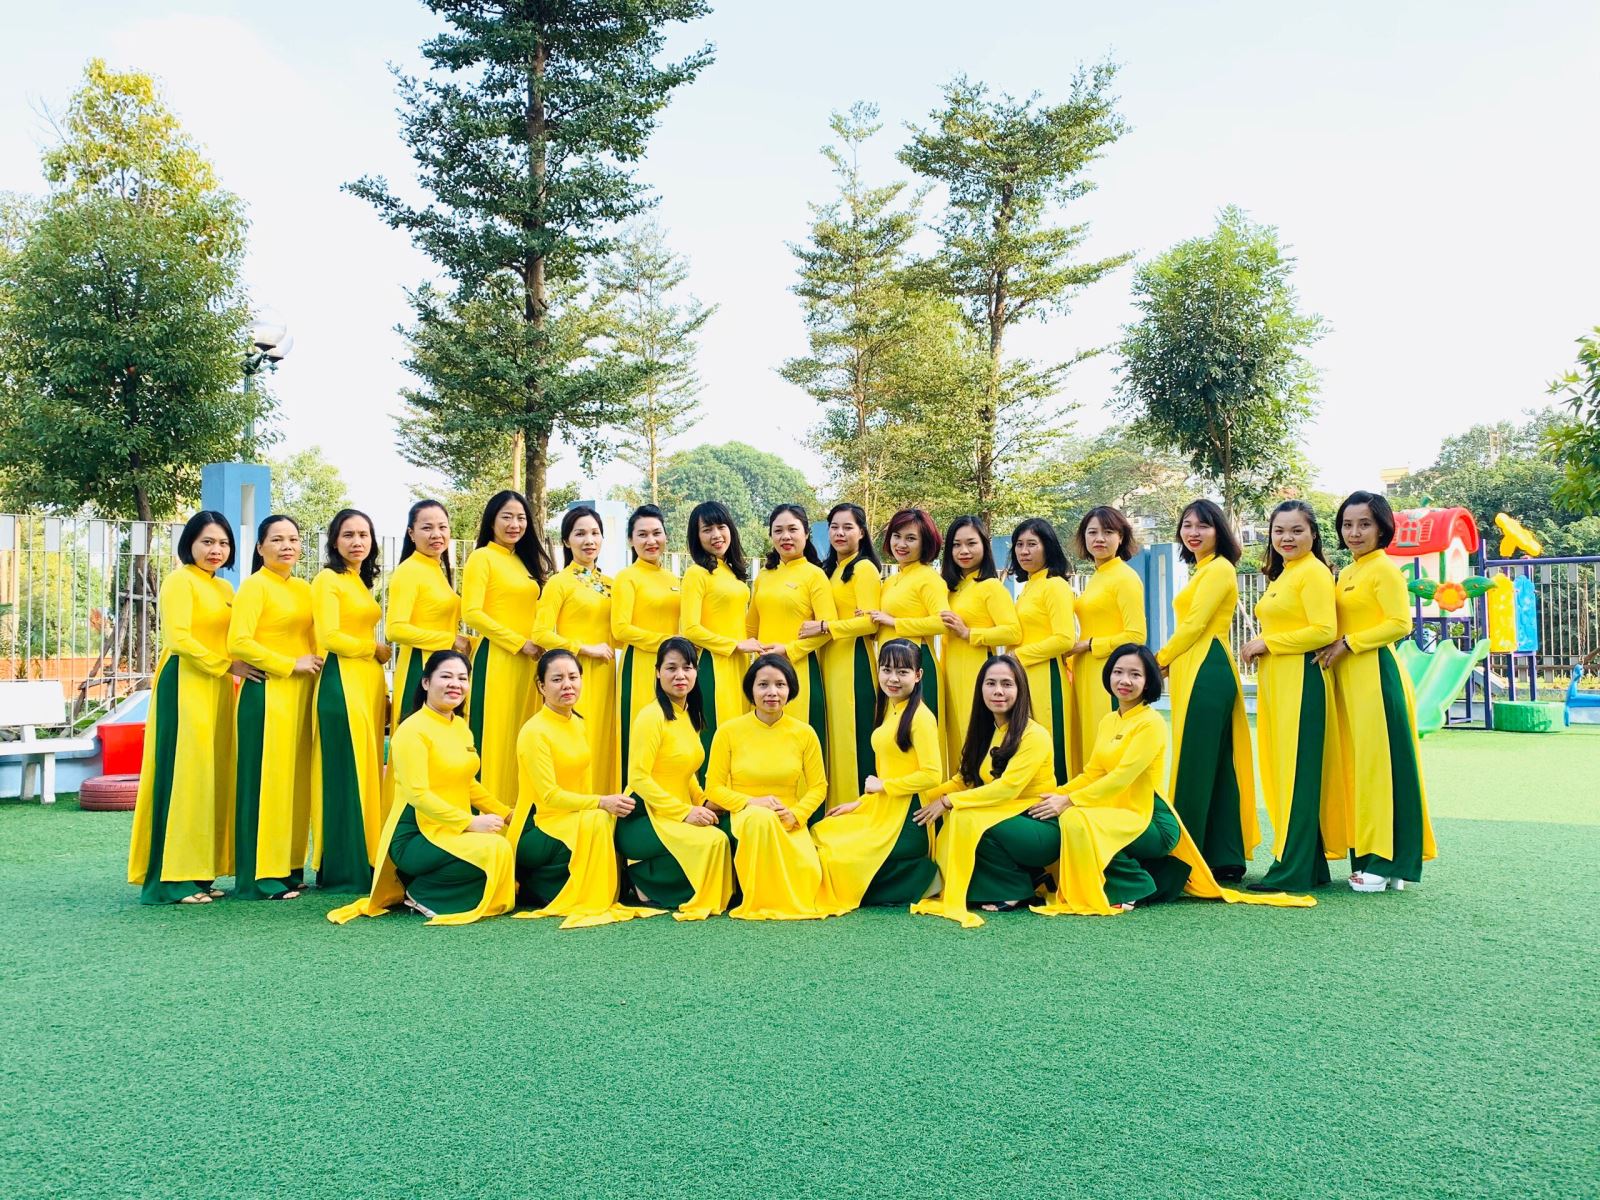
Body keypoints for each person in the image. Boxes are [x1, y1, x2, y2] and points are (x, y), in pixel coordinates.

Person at [1027, 645, 1314, 916]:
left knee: (1077, 818)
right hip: (1115, 814)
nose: (1124, 680)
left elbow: (1121, 778)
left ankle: (1134, 884)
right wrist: (1053, 795)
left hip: (1151, 820)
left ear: (1148, 682)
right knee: (1069, 816)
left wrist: (1069, 801)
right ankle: (1153, 875)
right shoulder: (1109, 721)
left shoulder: (1150, 723)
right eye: (1118, 672)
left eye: (1135, 674)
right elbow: (1093, 773)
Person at [327, 650, 516, 927]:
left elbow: (467, 783)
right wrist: (470, 822)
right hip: (414, 835)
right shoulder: (412, 731)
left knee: (503, 849)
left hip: (449, 828)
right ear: (426, 682)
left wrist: (507, 813)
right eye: (446, 677)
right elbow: (417, 794)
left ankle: (435, 887)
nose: (455, 684)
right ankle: (424, 893)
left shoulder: (460, 726)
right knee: (494, 848)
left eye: (462, 678)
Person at [1317, 491, 1436, 892]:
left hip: (1376, 676)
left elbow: (1400, 623)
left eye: (1364, 524)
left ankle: (1387, 862)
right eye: (1347, 524)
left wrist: (1349, 642)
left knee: (1383, 769)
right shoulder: (1349, 572)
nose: (1354, 532)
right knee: (1362, 771)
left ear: (1382, 528)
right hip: (1350, 679)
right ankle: (1380, 861)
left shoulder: (1384, 569)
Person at [129, 511, 244, 905]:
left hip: (218, 686)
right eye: (207, 542)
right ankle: (169, 879)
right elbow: (179, 639)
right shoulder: (180, 581)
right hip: (185, 683)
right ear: (189, 544)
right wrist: (227, 664)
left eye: (223, 543)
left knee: (209, 778)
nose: (216, 550)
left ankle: (197, 873)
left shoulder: (225, 588)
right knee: (183, 775)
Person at [506, 648, 663, 928]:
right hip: (537, 826)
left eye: (573, 677)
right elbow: (549, 796)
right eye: (557, 679)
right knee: (599, 816)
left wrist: (600, 806)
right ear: (541, 686)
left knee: (604, 818)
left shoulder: (577, 723)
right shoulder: (534, 732)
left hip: (570, 818)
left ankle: (601, 889)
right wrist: (600, 802)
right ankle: (552, 887)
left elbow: (583, 786)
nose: (567, 685)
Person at [909, 655, 1057, 928]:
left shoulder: (1034, 735)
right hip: (1008, 820)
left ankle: (1013, 887)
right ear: (981, 689)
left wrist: (948, 801)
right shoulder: (986, 730)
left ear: (1020, 690)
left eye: (1007, 684)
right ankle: (1028, 876)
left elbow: (1006, 790)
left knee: (966, 816)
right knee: (959, 814)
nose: (998, 691)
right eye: (991, 683)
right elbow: (963, 780)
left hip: (1039, 825)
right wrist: (913, 797)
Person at [1153, 500, 1257, 882]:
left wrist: (1157, 661)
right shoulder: (1203, 570)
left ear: (1219, 531)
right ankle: (1224, 857)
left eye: (1203, 525)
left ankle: (1182, 859)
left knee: (1194, 764)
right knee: (1216, 765)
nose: (1193, 532)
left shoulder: (1219, 568)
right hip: (1194, 665)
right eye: (1187, 525)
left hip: (1206, 666)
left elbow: (1195, 624)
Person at [1241, 500, 1340, 892]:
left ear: (1313, 534)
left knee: (1296, 774)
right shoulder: (1286, 574)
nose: (1287, 538)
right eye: (1279, 531)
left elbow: (1324, 630)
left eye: (1297, 530)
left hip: (1302, 681)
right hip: (1279, 683)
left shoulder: (1313, 573)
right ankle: (1308, 864)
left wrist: (1268, 642)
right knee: (1284, 772)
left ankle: (1293, 868)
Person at [228, 515, 320, 900]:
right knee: (265, 783)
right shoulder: (254, 586)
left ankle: (288, 867)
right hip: (266, 692)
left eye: (293, 539)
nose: (287, 546)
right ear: (260, 547)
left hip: (301, 695)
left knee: (294, 785)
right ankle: (260, 875)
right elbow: (238, 642)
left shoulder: (304, 588)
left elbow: (315, 639)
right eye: (277, 539)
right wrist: (289, 664)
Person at [813, 639, 941, 915]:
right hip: (881, 810)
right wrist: (859, 803)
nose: (893, 678)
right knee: (824, 832)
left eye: (903, 672)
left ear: (918, 675)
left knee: (837, 856)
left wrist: (883, 785)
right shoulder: (893, 710)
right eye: (886, 670)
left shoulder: (921, 718)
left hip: (906, 819)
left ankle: (924, 879)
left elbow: (932, 775)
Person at [614, 637, 734, 920]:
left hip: (675, 811)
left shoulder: (688, 716)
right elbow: (638, 778)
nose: (680, 675)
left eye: (687, 668)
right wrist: (685, 812)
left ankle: (657, 879)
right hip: (642, 817)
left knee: (728, 830)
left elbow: (686, 772)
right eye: (671, 668)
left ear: (696, 672)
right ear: (658, 672)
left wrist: (703, 801)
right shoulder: (651, 716)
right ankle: (642, 878)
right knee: (713, 842)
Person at [705, 654, 828, 920]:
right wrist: (751, 802)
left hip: (788, 818)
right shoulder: (728, 731)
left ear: (790, 689)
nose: (772, 692)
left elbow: (819, 786)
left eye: (780, 684)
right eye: (763, 685)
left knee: (809, 871)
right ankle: (759, 901)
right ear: (751, 689)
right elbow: (713, 788)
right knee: (760, 818)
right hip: (746, 815)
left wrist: (796, 815)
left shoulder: (805, 733)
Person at [309, 508, 390, 893]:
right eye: (348, 535)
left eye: (364, 535)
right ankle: (345, 869)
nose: (357, 542)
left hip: (367, 683)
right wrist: (373, 648)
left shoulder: (358, 581)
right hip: (342, 682)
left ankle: (368, 858)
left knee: (368, 772)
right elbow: (329, 638)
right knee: (346, 774)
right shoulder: (328, 579)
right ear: (334, 541)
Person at [461, 490, 549, 813]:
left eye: (521, 518)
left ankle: (520, 815)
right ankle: (488, 815)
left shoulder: (523, 561)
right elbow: (471, 613)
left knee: (521, 739)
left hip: (530, 663)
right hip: (498, 660)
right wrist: (518, 642)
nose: (515, 524)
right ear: (492, 521)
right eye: (507, 517)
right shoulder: (482, 557)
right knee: (494, 739)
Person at [533, 506, 619, 793]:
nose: (589, 540)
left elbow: (619, 631)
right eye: (580, 534)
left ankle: (605, 807)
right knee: (576, 743)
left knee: (603, 741)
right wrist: (583, 648)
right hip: (574, 676)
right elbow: (541, 633)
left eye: (595, 533)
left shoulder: (610, 584)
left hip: (606, 676)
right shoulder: (559, 583)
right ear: (566, 541)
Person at [746, 504, 837, 755]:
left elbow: (829, 629)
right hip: (762, 673)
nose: (785, 536)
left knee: (797, 743)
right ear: (771, 536)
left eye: (792, 530)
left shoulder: (815, 575)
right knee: (764, 744)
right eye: (778, 531)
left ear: (806, 533)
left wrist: (789, 649)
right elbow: (750, 627)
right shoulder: (763, 576)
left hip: (800, 670)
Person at [1067, 506, 1146, 777]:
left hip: (1108, 674)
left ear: (1121, 537)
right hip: (1085, 672)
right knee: (1088, 746)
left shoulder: (1125, 578)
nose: (1099, 538)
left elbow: (1136, 635)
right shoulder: (1098, 576)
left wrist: (1089, 644)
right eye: (1092, 532)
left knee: (1106, 751)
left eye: (1108, 532)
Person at [938, 515, 1020, 767]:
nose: (963, 551)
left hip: (978, 670)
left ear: (985, 545)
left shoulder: (990, 586)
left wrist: (970, 634)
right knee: (954, 737)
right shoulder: (951, 589)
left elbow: (1013, 632)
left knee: (974, 734)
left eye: (971, 543)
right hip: (950, 671)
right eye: (956, 544)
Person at [679, 500, 758, 759]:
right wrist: (735, 645)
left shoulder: (732, 572)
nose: (716, 535)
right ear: (697, 536)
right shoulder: (696, 573)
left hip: (739, 665)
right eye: (707, 529)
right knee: (715, 737)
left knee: (739, 735)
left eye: (721, 527)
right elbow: (690, 629)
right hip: (712, 666)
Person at [819, 503, 883, 809]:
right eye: (834, 527)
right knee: (836, 737)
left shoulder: (864, 568)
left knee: (855, 736)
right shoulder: (832, 570)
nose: (840, 533)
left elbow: (870, 622)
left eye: (848, 527)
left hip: (853, 660)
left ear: (862, 532)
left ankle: (860, 808)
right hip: (830, 658)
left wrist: (826, 626)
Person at [612, 504, 682, 777]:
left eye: (656, 533)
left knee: (670, 733)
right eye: (642, 535)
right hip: (640, 665)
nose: (651, 540)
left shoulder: (673, 579)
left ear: (666, 536)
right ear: (631, 540)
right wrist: (668, 642)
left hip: (672, 668)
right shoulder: (627, 578)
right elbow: (620, 629)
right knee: (640, 731)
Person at [867, 508, 948, 742]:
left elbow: (942, 622)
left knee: (920, 739)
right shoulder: (891, 580)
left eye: (911, 538)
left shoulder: (929, 578)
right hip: (890, 669)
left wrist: (895, 622)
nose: (901, 544)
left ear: (925, 543)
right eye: (897, 536)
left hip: (916, 667)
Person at [387, 499, 467, 726]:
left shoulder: (435, 570)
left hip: (443, 667)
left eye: (442, 527)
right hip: (419, 668)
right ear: (411, 533)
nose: (436, 534)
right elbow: (395, 630)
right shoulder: (409, 571)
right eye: (427, 528)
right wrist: (450, 640)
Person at [1009, 518, 1076, 782]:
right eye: (1019, 545)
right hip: (1023, 677)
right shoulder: (1029, 586)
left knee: (1051, 746)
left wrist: (1017, 655)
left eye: (1032, 544)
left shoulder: (1054, 584)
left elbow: (1065, 639)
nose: (1024, 551)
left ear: (1048, 547)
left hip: (1047, 678)